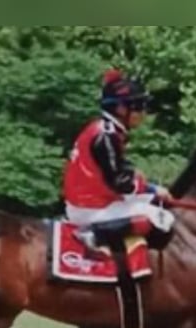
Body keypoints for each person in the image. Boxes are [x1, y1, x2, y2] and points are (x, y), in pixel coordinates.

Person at [63, 69, 174, 249]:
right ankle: (95, 234)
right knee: (162, 219)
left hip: (90, 201)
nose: (143, 113)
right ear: (121, 108)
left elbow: (118, 174)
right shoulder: (106, 135)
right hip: (91, 208)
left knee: (150, 203)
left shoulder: (103, 129)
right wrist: (152, 189)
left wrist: (149, 189)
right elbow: (121, 183)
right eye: (138, 106)